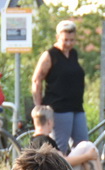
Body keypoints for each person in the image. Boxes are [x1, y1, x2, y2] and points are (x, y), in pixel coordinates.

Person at [32, 20, 86, 154]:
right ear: (57, 37)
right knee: (59, 148)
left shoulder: (73, 54)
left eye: (72, 40)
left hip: (77, 107)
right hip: (59, 108)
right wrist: (38, 106)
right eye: (65, 40)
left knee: (83, 146)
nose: (68, 43)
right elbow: (37, 80)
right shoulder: (50, 55)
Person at [27, 104, 105, 170]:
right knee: (87, 146)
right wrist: (87, 156)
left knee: (87, 147)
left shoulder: (34, 140)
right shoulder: (45, 141)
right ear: (49, 122)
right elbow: (64, 162)